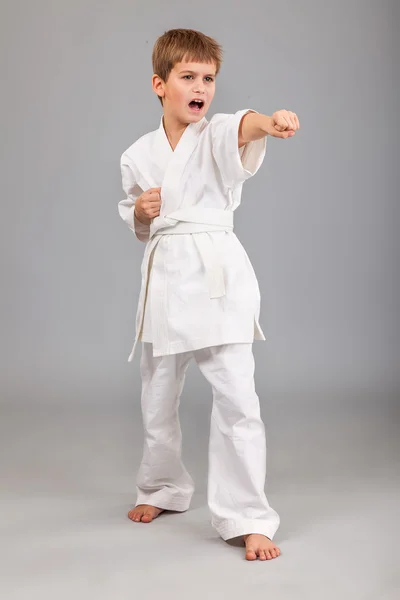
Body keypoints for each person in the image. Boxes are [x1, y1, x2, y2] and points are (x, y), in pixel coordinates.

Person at [118, 28, 300, 561]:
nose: (201, 87)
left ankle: (247, 516)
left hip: (217, 278)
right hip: (165, 282)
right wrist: (141, 214)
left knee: (238, 398)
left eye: (209, 78)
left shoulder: (218, 132)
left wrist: (270, 121)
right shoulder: (137, 154)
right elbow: (136, 217)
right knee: (157, 395)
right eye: (188, 77)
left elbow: (243, 126)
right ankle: (162, 488)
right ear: (160, 84)